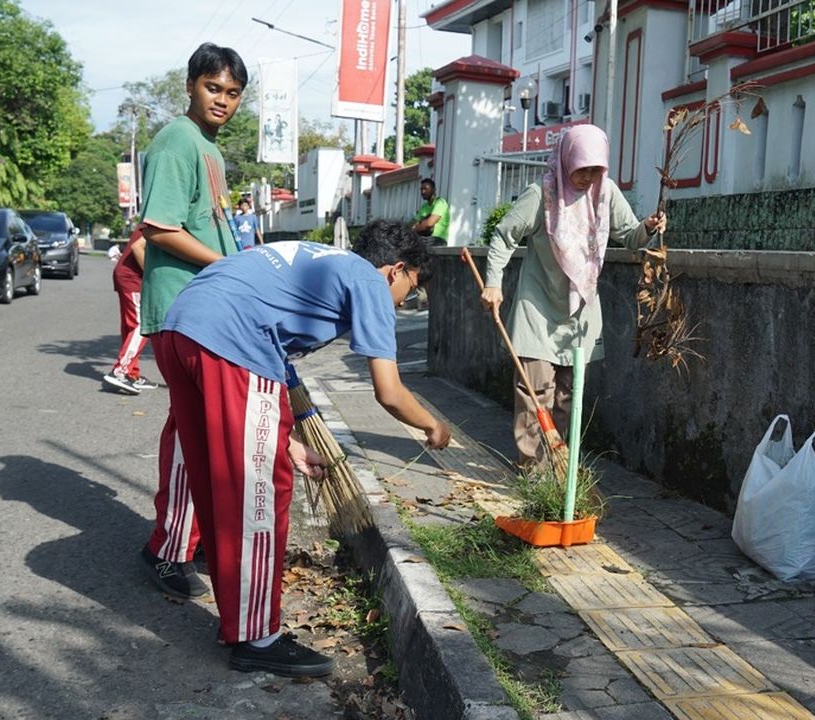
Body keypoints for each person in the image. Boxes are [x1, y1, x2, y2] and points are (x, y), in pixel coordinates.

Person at [152, 219, 451, 675]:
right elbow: (389, 393)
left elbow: (275, 354)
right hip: (231, 340)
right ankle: (257, 637)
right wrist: (434, 424)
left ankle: (205, 562)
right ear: (394, 270)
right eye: (411, 288)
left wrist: (287, 439)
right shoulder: (368, 280)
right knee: (260, 489)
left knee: (212, 468)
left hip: (181, 330)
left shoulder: (319, 257)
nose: (406, 299)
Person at [480, 124, 665, 468]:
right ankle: (532, 470)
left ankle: (557, 468)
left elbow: (629, 236)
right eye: (583, 168)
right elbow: (504, 236)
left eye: (597, 169)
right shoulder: (541, 194)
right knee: (535, 394)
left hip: (580, 313)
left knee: (567, 397)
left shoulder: (606, 192)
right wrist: (493, 282)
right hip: (538, 307)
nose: (589, 177)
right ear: (566, 160)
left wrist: (649, 228)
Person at [136, 42, 247, 598]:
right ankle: (166, 547)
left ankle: (191, 532)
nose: (222, 100)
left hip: (207, 308)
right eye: (213, 88)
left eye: (231, 93)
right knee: (191, 431)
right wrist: (230, 265)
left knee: (200, 430)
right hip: (182, 308)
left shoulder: (209, 147)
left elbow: (206, 225)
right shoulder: (177, 142)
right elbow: (159, 228)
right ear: (190, 85)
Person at [104, 227, 159, 395]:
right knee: (141, 325)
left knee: (131, 326)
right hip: (132, 278)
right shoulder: (163, 219)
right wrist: (152, 277)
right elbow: (137, 247)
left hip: (126, 275)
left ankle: (131, 373)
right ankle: (121, 371)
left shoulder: (153, 216)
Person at [412, 178, 449, 246]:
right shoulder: (424, 206)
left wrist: (417, 227)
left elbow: (429, 224)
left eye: (425, 189)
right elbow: (414, 224)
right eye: (421, 189)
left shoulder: (440, 203)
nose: (423, 191)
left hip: (437, 240)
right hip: (425, 238)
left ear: (433, 189)